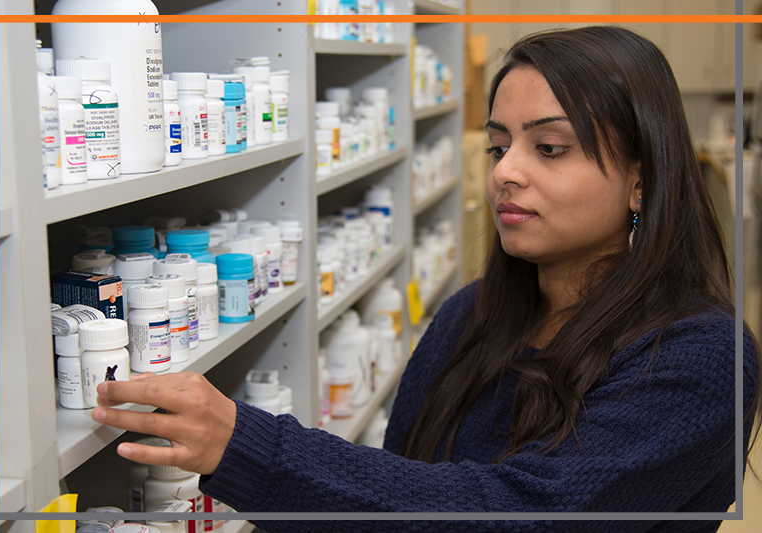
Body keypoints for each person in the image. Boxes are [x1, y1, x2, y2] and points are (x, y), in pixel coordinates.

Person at [93, 26, 761, 531]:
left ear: (641, 180)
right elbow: (400, 487)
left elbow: (524, 513)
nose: (505, 171)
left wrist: (248, 445)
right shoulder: (471, 316)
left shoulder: (702, 357)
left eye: (549, 148)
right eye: (499, 145)